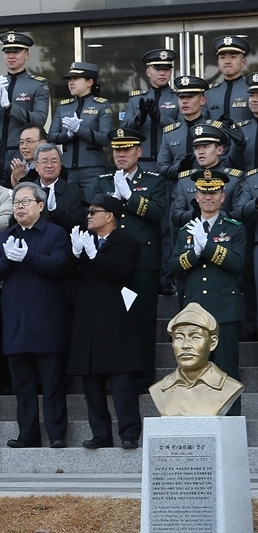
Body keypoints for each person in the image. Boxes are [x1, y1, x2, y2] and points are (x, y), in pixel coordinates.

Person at [0, 182, 72, 448]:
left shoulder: (56, 233)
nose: (19, 207)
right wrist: (10, 259)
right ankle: (28, 435)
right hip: (15, 321)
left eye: (25, 202)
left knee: (52, 383)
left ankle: (57, 434)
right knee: (22, 385)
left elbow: (60, 265)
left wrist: (28, 257)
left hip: (47, 320)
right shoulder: (5, 236)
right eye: (16, 203)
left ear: (40, 206)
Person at [67, 195, 142, 450]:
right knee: (91, 385)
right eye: (87, 212)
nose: (88, 215)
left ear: (110, 216)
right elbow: (67, 277)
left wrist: (94, 256)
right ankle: (100, 433)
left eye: (94, 212)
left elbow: (123, 272)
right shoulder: (84, 242)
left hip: (115, 322)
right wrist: (76, 255)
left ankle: (129, 432)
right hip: (87, 322)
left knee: (122, 384)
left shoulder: (128, 243)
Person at [169, 168, 246, 415]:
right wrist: (194, 252)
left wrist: (209, 248)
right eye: (203, 192)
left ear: (223, 196)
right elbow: (172, 266)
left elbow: (237, 263)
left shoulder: (235, 228)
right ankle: (200, 422)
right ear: (197, 197)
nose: (208, 197)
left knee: (227, 372)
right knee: (194, 372)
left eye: (214, 193)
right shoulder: (185, 231)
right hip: (194, 314)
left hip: (224, 311)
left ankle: (231, 426)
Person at [96, 127, 168, 389]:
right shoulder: (103, 181)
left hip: (142, 264)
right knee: (110, 320)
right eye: (117, 149)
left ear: (139, 151)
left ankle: (143, 376)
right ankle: (112, 375)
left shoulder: (154, 181)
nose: (121, 154)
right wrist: (112, 201)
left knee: (142, 321)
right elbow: (93, 214)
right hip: (110, 262)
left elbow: (159, 212)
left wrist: (130, 197)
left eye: (126, 149)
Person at [48, 62, 113, 200]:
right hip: (67, 168)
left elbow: (105, 138)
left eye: (76, 79)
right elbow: (52, 136)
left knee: (93, 207)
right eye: (70, 80)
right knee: (68, 208)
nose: (71, 83)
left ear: (90, 82)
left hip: (92, 168)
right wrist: (68, 135)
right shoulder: (63, 106)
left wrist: (79, 130)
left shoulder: (101, 105)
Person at [0, 31, 51, 152]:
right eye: (7, 52)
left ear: (26, 55)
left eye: (16, 52)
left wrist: (10, 107)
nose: (11, 56)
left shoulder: (37, 84)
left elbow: (40, 120)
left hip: (23, 150)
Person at [122, 49, 180, 172]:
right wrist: (140, 119)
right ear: (148, 72)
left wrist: (159, 119)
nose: (163, 73)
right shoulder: (136, 99)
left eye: (166, 69)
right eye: (158, 69)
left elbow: (183, 127)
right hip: (141, 162)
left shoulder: (178, 97)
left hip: (169, 162)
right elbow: (124, 130)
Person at [33, 144, 85, 232]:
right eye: (44, 161)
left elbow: (79, 225)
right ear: (36, 166)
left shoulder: (74, 193)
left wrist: (55, 211)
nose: (49, 165)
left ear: (60, 165)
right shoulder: (28, 190)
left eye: (54, 161)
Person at [206, 34, 252, 126]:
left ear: (243, 62)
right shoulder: (209, 93)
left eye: (233, 57)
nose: (227, 61)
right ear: (218, 62)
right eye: (222, 57)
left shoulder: (251, 90)